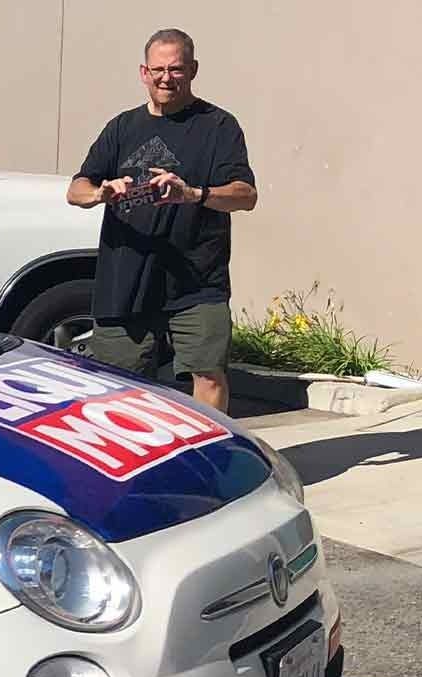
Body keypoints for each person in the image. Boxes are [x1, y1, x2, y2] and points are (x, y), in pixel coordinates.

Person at [67, 28, 257, 411]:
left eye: (176, 69)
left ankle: (209, 459)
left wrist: (194, 194)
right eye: (157, 69)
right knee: (119, 383)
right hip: (127, 278)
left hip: (196, 278)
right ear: (143, 72)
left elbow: (246, 195)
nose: (165, 78)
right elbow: (77, 189)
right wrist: (99, 194)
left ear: (193, 70)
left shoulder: (218, 126)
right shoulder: (122, 127)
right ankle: (133, 463)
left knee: (207, 374)